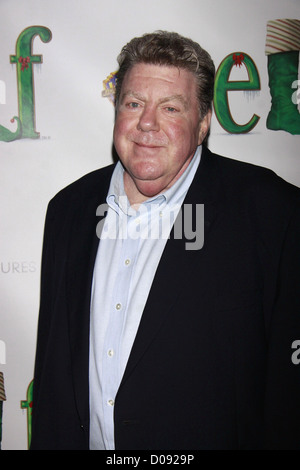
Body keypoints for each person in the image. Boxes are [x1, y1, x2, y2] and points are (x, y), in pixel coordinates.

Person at [30, 31, 300, 450]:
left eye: (170, 107)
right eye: (134, 103)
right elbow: (53, 375)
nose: (147, 124)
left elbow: (288, 395)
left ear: (204, 121)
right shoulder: (68, 210)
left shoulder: (272, 212)